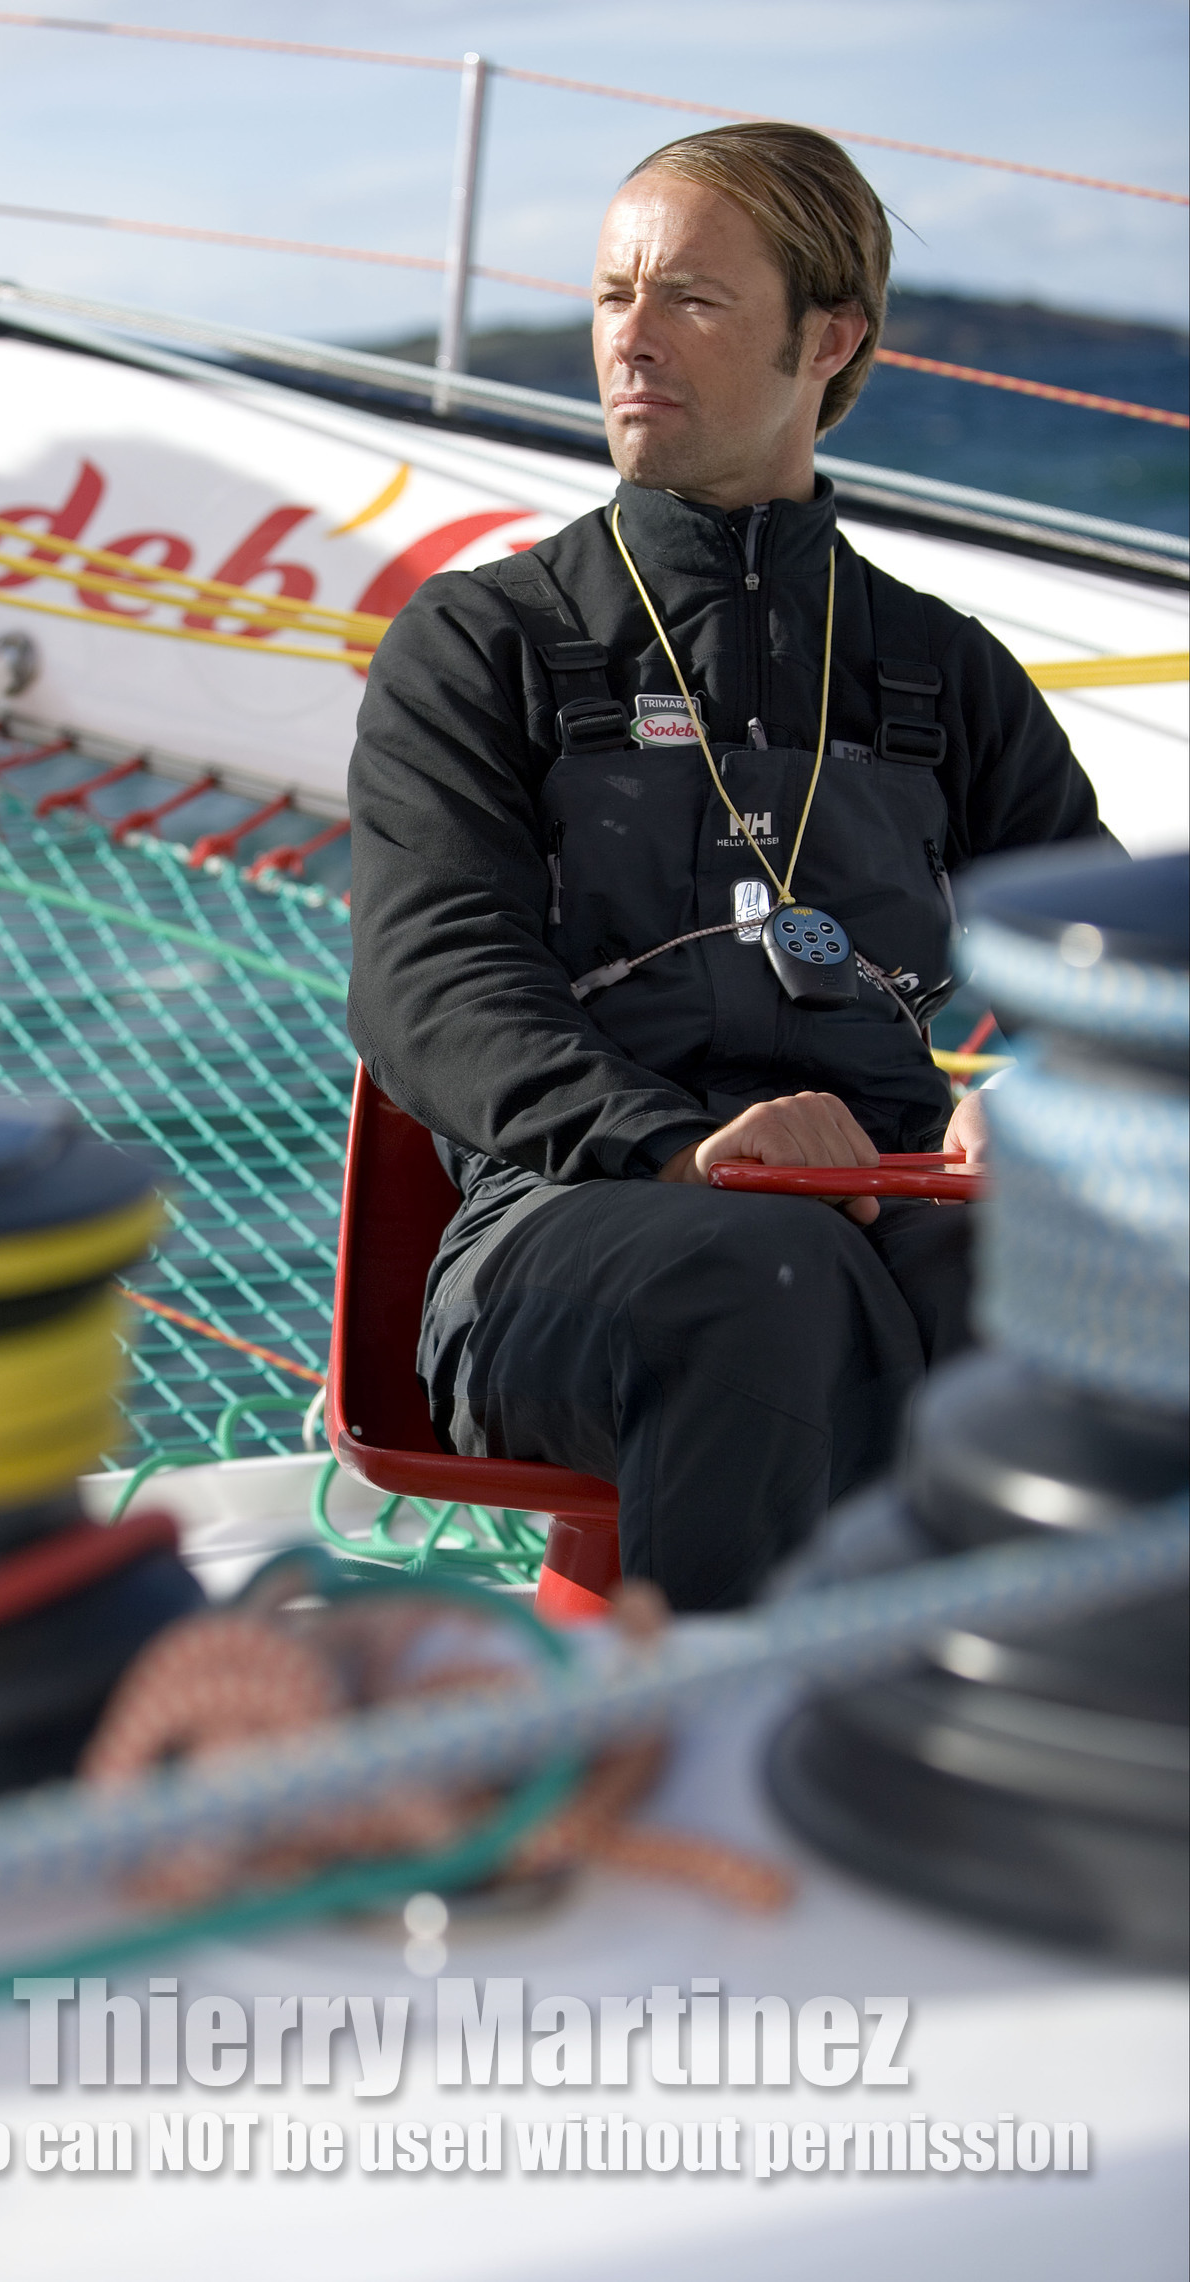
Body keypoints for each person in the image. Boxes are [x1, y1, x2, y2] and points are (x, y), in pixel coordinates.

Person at [345, 121, 1106, 1610]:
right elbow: (429, 983)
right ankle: (723, 1775)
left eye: (689, 297)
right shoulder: (484, 641)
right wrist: (677, 1145)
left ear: (832, 338)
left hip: (895, 1202)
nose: (631, 335)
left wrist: (1042, 1106)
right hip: (564, 1225)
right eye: (615, 291)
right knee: (766, 1277)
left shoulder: (939, 671)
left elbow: (1119, 967)